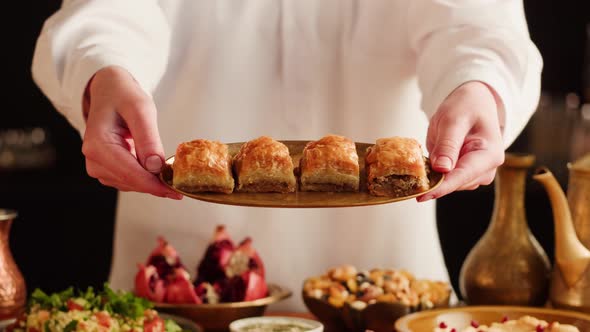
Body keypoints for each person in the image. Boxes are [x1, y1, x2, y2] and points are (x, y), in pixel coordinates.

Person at [32, 1, 541, 310]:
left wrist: (479, 83)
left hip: (386, 270)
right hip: (184, 260)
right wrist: (102, 69)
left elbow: (473, 19)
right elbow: (112, 9)